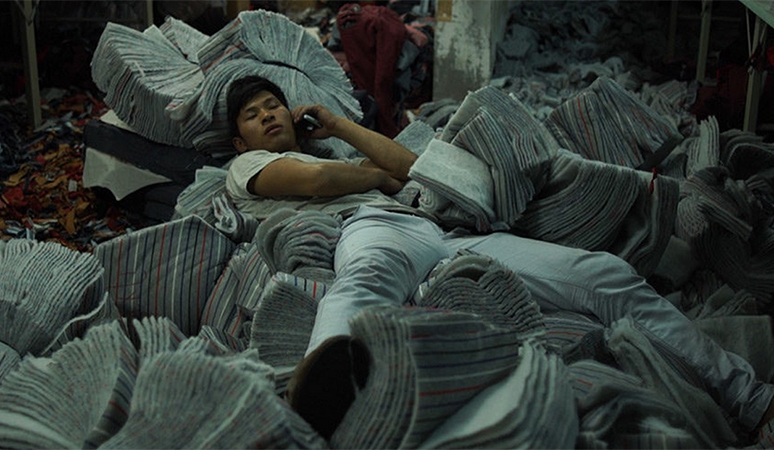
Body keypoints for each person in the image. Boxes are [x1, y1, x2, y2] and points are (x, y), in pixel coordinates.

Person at [225, 75, 774, 441]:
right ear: (239, 141)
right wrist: (375, 179)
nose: (269, 115)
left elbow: (414, 167)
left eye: (274, 105)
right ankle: (314, 401)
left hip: (440, 230)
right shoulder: (244, 169)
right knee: (366, 280)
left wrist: (341, 126)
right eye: (253, 114)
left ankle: (750, 398)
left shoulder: (333, 149)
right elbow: (319, 181)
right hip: (371, 227)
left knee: (604, 274)